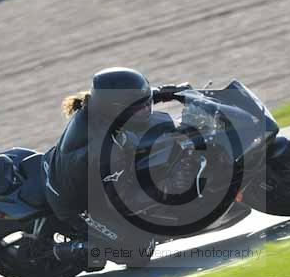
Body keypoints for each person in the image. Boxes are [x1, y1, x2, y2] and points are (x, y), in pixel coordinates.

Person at [42, 67, 192, 266]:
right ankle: (74, 250)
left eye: (146, 102)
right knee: (139, 251)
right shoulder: (105, 151)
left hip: (77, 168)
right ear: (116, 110)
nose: (146, 108)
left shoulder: (102, 107)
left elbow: (135, 101)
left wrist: (170, 92)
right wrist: (170, 186)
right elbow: (124, 202)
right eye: (140, 106)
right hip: (78, 203)